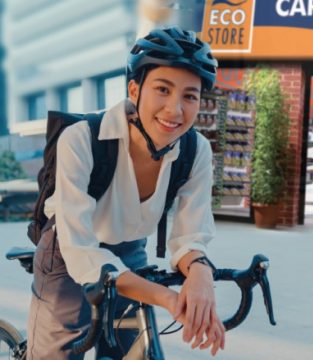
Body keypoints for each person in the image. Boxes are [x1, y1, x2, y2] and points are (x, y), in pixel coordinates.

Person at [27, 27, 224, 359]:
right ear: (135, 89)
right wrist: (166, 297)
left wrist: (202, 273)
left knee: (129, 350)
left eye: (190, 96)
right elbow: (80, 251)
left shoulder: (196, 150)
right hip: (66, 250)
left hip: (129, 248)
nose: (175, 110)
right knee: (57, 352)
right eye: (163, 89)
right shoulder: (81, 140)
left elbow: (190, 235)